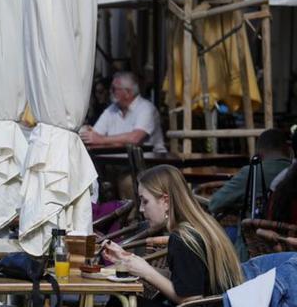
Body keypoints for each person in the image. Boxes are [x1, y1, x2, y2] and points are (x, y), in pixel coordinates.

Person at [102, 165, 242, 306]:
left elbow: (191, 300)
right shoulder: (199, 226)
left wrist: (146, 271)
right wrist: (132, 261)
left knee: (119, 303)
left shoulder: (183, 238)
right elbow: (186, 280)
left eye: (145, 201)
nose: (141, 209)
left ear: (165, 201)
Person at [208, 128, 292, 259]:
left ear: (259, 152)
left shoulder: (251, 172)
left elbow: (214, 204)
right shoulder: (292, 171)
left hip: (254, 249)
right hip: (290, 245)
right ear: (287, 149)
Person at [80, 71, 166, 154]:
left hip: (152, 164)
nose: (110, 92)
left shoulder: (146, 108)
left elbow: (135, 138)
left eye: (114, 89)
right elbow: (95, 135)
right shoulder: (111, 109)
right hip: (119, 161)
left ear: (128, 92)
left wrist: (102, 140)